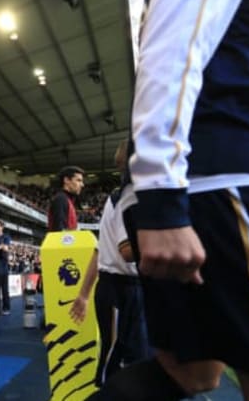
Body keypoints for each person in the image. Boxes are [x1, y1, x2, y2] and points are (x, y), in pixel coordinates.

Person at [88, 0, 249, 401]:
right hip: (227, 178)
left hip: (211, 177)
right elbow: (173, 42)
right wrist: (162, 200)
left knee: (194, 373)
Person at [69, 142, 151, 387]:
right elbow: (127, 252)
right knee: (117, 360)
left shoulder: (119, 197)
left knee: (127, 358)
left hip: (119, 286)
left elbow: (99, 252)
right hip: (122, 289)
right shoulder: (129, 197)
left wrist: (83, 294)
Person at [47, 166, 84, 232]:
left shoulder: (67, 200)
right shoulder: (61, 199)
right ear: (66, 180)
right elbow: (59, 231)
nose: (82, 185)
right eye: (78, 180)